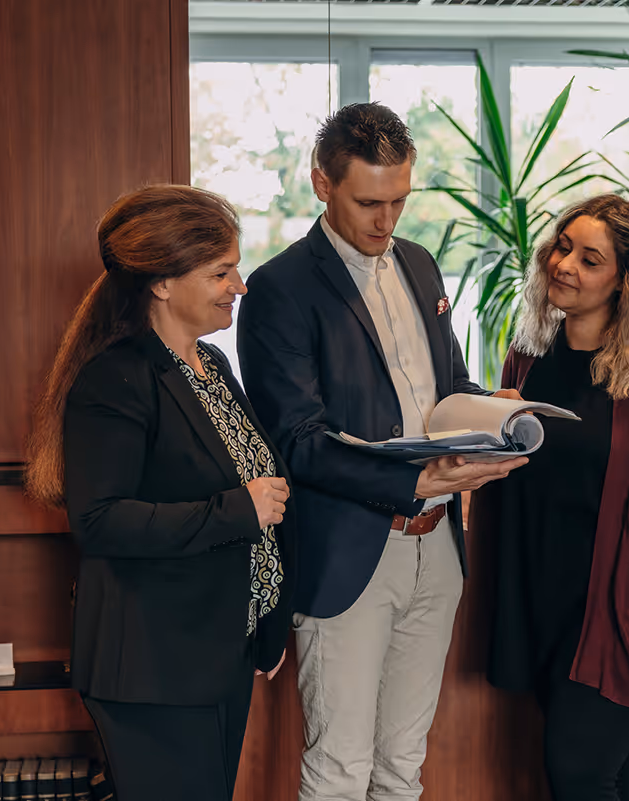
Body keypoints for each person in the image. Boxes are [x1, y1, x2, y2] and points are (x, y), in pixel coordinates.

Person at [237, 102, 527, 801]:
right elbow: (299, 443)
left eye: (400, 200)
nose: (386, 221)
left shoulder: (421, 266)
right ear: (321, 183)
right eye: (369, 202)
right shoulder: (279, 289)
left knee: (403, 767)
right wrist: (418, 478)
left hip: (438, 554)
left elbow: (447, 383)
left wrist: (499, 418)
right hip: (350, 557)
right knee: (339, 769)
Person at [25, 185, 295, 801]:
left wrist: (265, 624)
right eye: (221, 272)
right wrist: (236, 509)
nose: (240, 286)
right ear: (163, 283)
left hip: (220, 651)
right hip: (153, 670)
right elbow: (100, 521)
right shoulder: (115, 378)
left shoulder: (213, 368)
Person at [470, 194, 629, 801]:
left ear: (626, 281)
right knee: (604, 774)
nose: (565, 265)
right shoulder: (529, 355)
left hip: (617, 609)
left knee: (578, 772)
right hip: (543, 601)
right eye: (563, 247)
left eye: (591, 260)